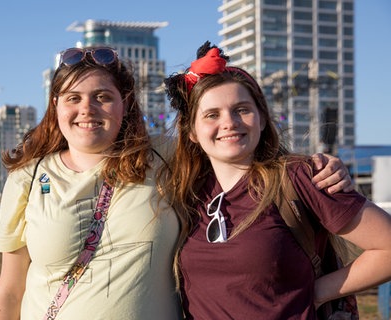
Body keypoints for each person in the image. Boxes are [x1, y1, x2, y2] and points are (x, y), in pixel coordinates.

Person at [0, 46, 351, 320]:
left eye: (103, 97)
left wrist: (312, 166)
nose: (88, 110)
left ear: (125, 103)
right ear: (56, 106)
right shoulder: (29, 177)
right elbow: (10, 288)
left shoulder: (165, 158)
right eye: (73, 98)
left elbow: (227, 143)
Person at [162, 41, 391, 319]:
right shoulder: (184, 193)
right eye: (212, 115)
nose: (229, 122)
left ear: (261, 118)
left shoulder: (301, 177)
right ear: (192, 132)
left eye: (242, 109)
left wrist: (316, 293)